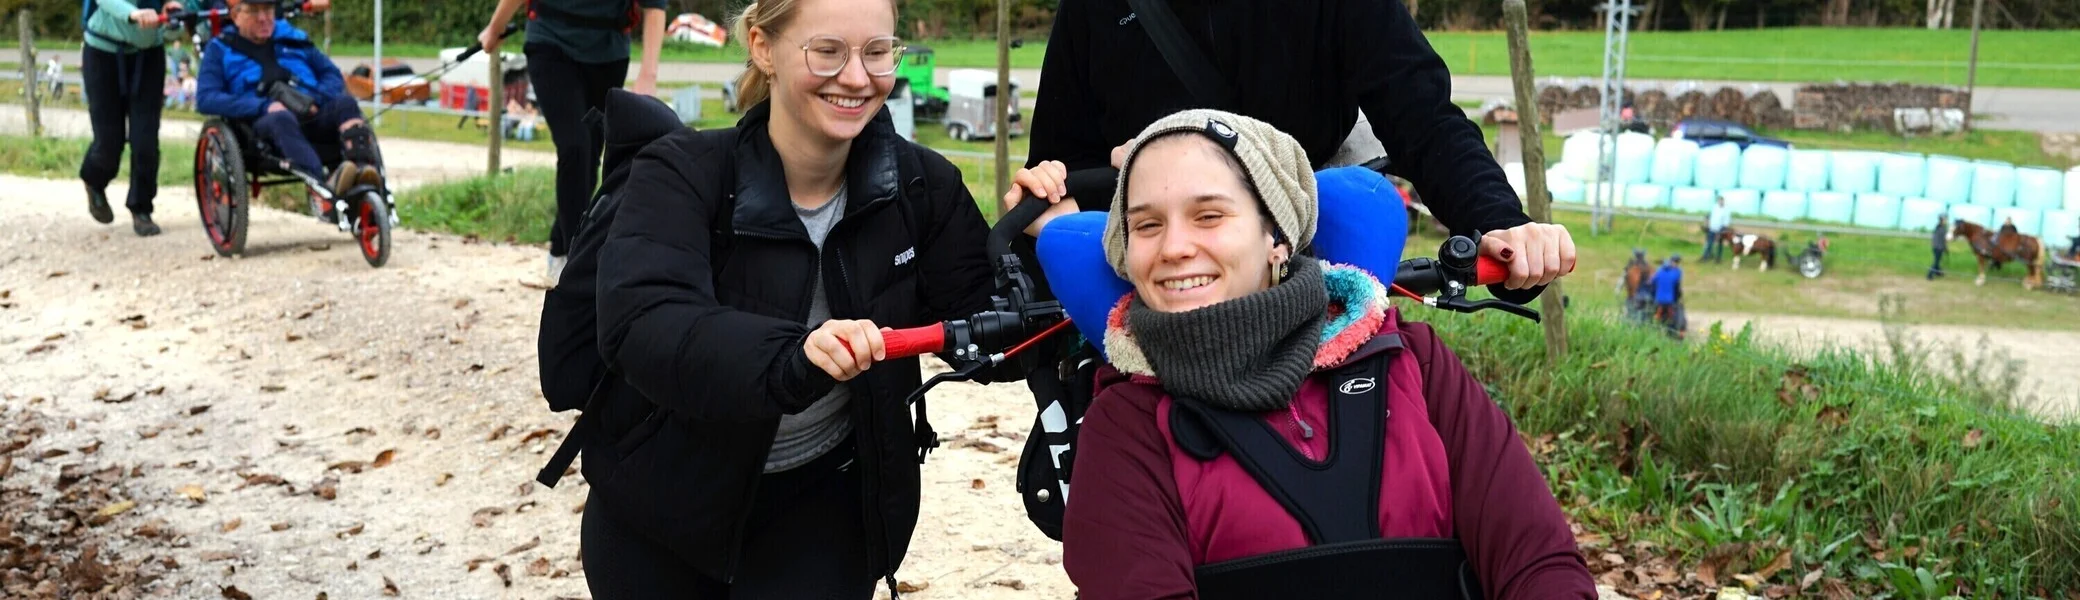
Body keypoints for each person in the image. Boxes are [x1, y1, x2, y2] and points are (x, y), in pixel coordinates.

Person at [1034, 109, 1593, 599]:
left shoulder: (1414, 364)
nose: (1175, 247)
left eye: (1209, 215)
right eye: (1147, 225)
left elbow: (1536, 562)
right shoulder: (1127, 426)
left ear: (1276, 237)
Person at [581, 0, 1016, 597]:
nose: (858, 78)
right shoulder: (679, 174)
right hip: (661, 506)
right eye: (828, 51)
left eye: (877, 51)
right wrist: (794, 357)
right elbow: (646, 321)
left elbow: (1003, 337)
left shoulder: (923, 187)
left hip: (823, 501)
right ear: (764, 47)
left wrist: (1035, 244)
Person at [1011, 0, 1573, 300]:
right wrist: (1050, 207)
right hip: (1164, 270)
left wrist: (1501, 222)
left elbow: (1422, 117)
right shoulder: (1095, 8)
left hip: (1316, 254)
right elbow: (1060, 163)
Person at [478, 0, 667, 286]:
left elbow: (655, 6)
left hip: (608, 54)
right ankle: (575, 264)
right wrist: (494, 28)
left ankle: (558, 249)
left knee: (589, 157)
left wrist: (648, 75)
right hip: (550, 44)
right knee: (574, 147)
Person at [196, 0, 381, 222]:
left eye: (268, 10)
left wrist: (317, 98)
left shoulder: (294, 37)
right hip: (264, 127)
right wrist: (262, 106)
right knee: (280, 118)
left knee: (346, 104)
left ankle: (362, 173)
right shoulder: (220, 48)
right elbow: (206, 99)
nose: (264, 18)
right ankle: (322, 188)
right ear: (236, 15)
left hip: (313, 112)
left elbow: (331, 74)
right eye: (254, 11)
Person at [80, 0, 183, 236]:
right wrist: (133, 14)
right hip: (102, 53)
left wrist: (175, 16)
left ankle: (141, 208)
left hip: (148, 56)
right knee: (108, 141)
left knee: (145, 139)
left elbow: (179, 13)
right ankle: (94, 180)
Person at [1652, 254, 1684, 339]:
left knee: (1656, 314)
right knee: (1674, 314)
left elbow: (1652, 282)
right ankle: (1676, 330)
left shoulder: (1659, 272)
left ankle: (1655, 325)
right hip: (1670, 300)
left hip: (1659, 300)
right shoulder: (1676, 273)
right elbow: (1677, 285)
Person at [1704, 195, 1731, 263]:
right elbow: (1709, 215)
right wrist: (1707, 223)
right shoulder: (1714, 207)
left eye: (1721, 200)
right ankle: (1707, 256)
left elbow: (1726, 221)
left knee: (1719, 244)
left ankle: (1718, 258)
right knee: (1709, 243)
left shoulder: (1726, 209)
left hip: (1721, 229)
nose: (1720, 202)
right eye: (1719, 200)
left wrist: (1723, 229)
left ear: (1723, 201)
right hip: (1712, 228)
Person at [1930, 213, 1949, 280]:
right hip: (1939, 247)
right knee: (1936, 262)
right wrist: (1945, 248)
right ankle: (1929, 275)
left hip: (1936, 247)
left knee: (1937, 260)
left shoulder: (1938, 227)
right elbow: (1943, 240)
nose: (1946, 220)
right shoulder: (1942, 228)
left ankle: (1938, 273)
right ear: (1942, 220)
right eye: (1945, 219)